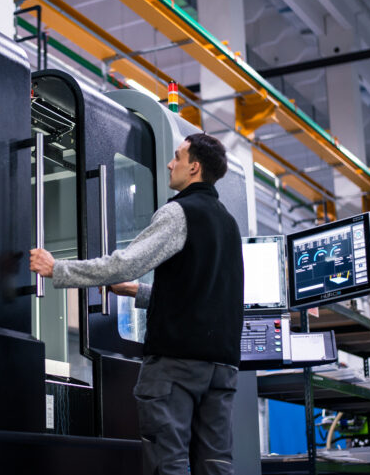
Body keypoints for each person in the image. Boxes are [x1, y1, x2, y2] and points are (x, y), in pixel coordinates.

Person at [30, 132, 244, 475]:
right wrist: (138, 292)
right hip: (222, 369)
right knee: (215, 464)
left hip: (176, 366)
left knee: (168, 462)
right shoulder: (228, 223)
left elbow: (124, 264)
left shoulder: (179, 212)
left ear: (194, 168)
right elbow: (204, 294)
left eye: (178, 157)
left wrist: (57, 269)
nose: (171, 164)